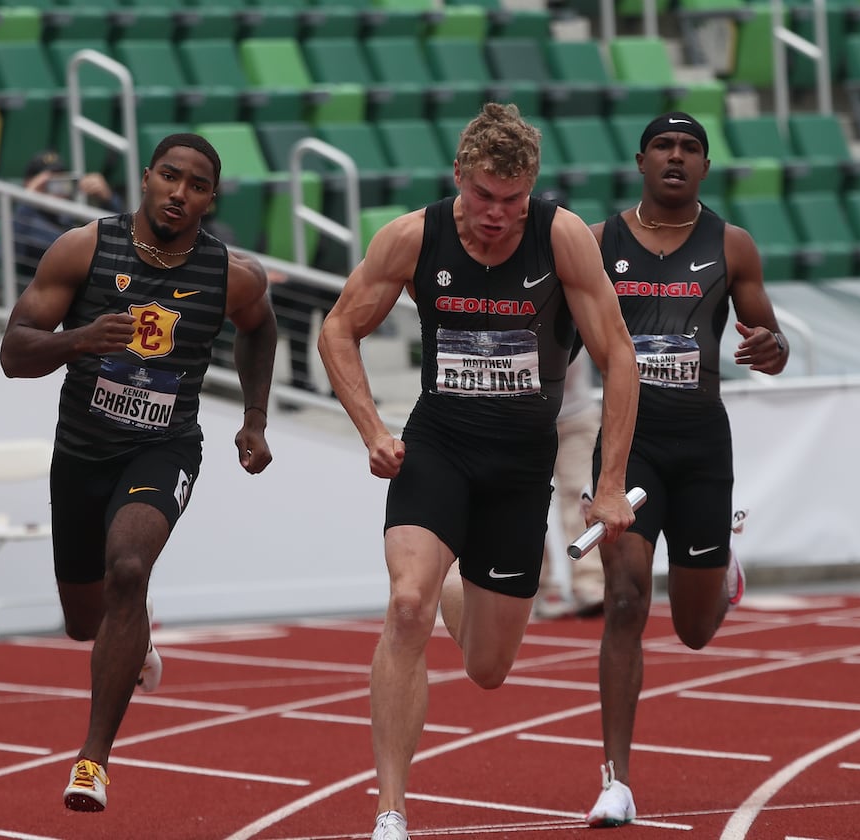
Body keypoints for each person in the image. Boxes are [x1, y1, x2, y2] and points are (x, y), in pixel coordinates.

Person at [315, 102, 641, 840]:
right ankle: (391, 809)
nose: (497, 215)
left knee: (489, 669)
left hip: (519, 461)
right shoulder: (411, 236)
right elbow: (338, 326)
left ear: (533, 189)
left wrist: (611, 479)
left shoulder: (560, 238)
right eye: (484, 197)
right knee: (405, 607)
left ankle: (456, 579)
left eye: (513, 200)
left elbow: (619, 355)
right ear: (459, 178)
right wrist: (372, 429)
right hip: (438, 445)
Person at [0, 133, 277, 813]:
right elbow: (13, 352)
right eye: (170, 177)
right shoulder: (84, 249)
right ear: (147, 178)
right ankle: (136, 628)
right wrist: (79, 340)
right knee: (81, 621)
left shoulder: (230, 274)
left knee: (128, 565)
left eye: (198, 185)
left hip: (165, 447)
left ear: (212, 198)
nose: (180, 193)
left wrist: (255, 417)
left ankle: (92, 760)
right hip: (83, 452)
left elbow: (260, 328)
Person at [584, 112, 789, 827]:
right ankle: (616, 780)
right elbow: (551, 330)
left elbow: (770, 337)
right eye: (664, 146)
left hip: (702, 443)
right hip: (625, 442)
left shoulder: (730, 245)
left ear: (704, 166)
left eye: (690, 148)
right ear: (640, 160)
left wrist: (770, 346)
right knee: (626, 599)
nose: (676, 157)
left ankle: (720, 566)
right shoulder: (594, 243)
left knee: (695, 630)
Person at [535, 347, 605, 619]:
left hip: (575, 413)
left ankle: (589, 582)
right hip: (523, 417)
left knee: (583, 496)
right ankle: (537, 586)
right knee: (526, 500)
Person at [14, 149, 123, 280]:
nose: (55, 189)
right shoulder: (21, 217)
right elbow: (8, 255)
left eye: (60, 180)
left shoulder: (70, 217)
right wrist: (28, 197)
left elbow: (118, 235)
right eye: (47, 183)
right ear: (28, 183)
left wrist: (108, 199)